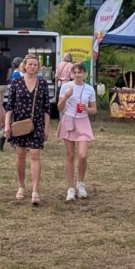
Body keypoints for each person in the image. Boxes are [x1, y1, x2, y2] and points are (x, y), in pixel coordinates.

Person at [5, 54, 52, 206]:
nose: (32, 67)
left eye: (35, 65)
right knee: (20, 154)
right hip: (19, 123)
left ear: (38, 67)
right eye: (30, 64)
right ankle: (21, 186)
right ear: (24, 65)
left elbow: (46, 108)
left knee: (35, 154)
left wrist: (46, 127)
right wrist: (7, 125)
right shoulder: (16, 82)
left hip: (37, 122)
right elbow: (9, 105)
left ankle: (35, 190)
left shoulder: (43, 84)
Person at [56, 62, 98, 201]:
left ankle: (80, 183)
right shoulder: (65, 87)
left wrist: (86, 108)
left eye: (80, 72)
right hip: (69, 121)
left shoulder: (89, 89)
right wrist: (66, 97)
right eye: (75, 72)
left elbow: (94, 110)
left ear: (85, 74)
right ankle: (71, 188)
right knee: (69, 155)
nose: (77, 75)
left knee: (82, 155)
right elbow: (60, 108)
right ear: (71, 74)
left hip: (83, 121)